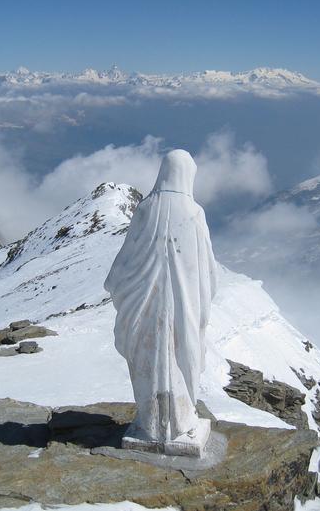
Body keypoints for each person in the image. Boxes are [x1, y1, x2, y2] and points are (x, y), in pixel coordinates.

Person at [104, 149, 218, 455]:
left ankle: (149, 424)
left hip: (144, 310)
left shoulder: (145, 209)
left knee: (148, 363)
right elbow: (207, 271)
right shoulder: (194, 213)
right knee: (179, 360)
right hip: (183, 310)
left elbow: (124, 264)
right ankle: (180, 425)